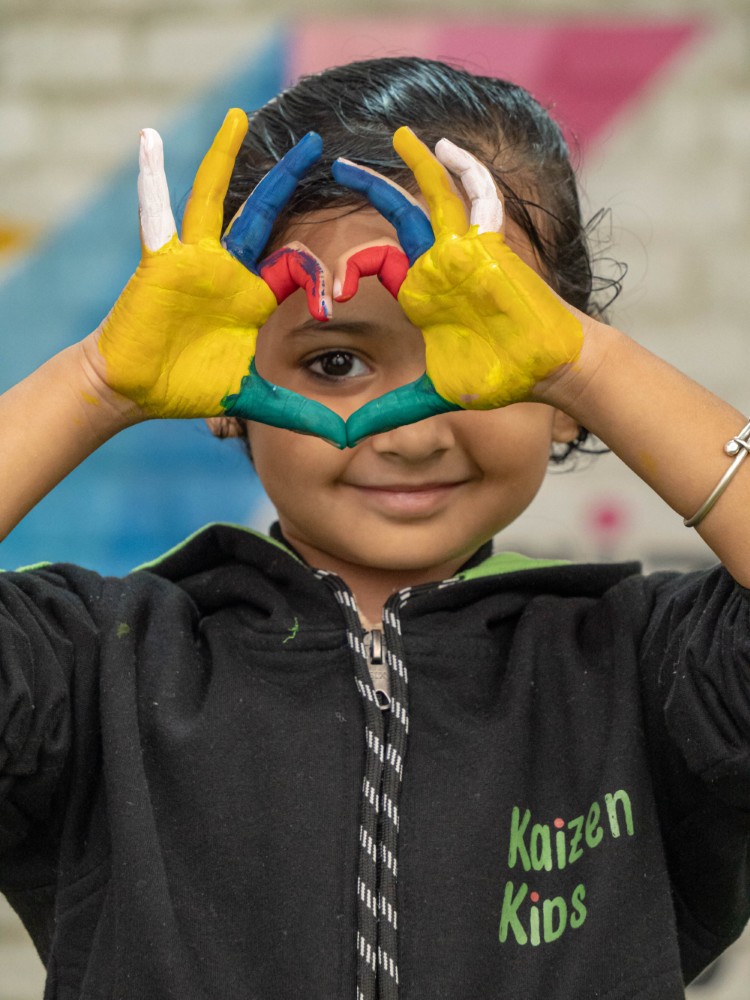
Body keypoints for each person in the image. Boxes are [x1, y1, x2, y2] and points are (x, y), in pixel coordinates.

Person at [0, 56, 748, 1000]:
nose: (412, 430)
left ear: (564, 394)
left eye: (484, 360)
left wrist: (590, 367)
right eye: (337, 358)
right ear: (225, 386)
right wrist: (97, 382)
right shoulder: (89, 667)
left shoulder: (652, 672)